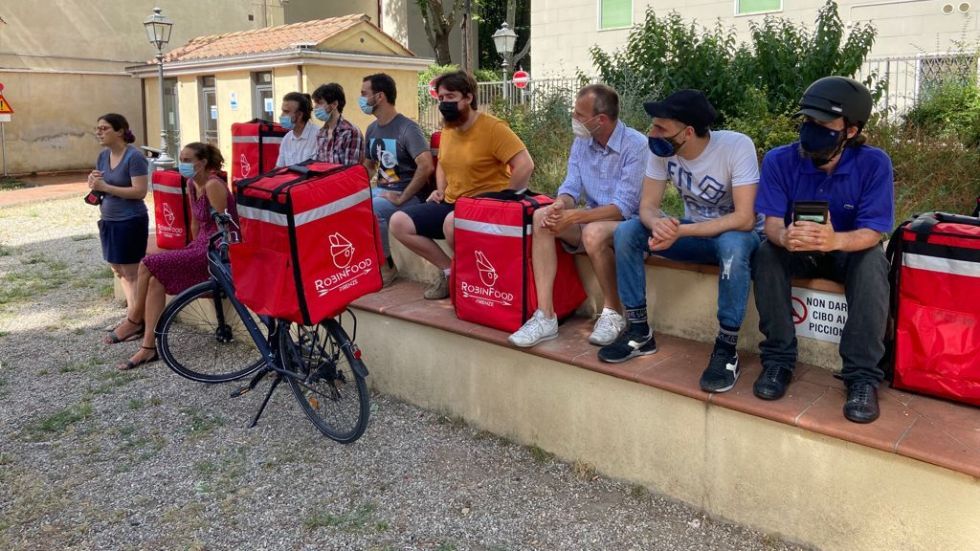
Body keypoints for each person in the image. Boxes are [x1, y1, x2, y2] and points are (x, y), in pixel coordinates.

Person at [598, 90, 762, 396]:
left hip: (735, 239)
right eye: (653, 126)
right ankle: (638, 331)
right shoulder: (662, 151)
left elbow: (745, 219)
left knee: (733, 245)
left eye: (661, 128)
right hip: (693, 235)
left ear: (687, 132)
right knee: (627, 232)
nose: (652, 133)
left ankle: (726, 349)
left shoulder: (736, 146)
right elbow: (647, 206)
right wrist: (658, 224)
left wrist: (680, 232)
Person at [752, 76, 893, 423]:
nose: (811, 129)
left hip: (846, 250)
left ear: (850, 130)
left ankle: (861, 377)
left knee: (872, 263)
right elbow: (771, 224)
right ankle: (778, 362)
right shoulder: (779, 160)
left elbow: (874, 231)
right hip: (797, 248)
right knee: (766, 254)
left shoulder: (874, 163)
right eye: (808, 121)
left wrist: (836, 241)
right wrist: (784, 237)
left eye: (823, 124)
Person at [508, 84, 647, 348]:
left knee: (594, 232)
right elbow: (571, 187)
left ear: (601, 120)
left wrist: (574, 217)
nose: (574, 118)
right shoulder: (583, 142)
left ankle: (613, 313)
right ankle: (545, 316)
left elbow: (622, 208)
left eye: (579, 114)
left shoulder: (637, 146)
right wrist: (559, 205)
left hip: (632, 226)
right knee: (541, 218)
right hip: (592, 220)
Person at [389, 70, 534, 300]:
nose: (445, 103)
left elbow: (525, 165)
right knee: (399, 222)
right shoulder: (449, 128)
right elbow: (443, 164)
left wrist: (506, 202)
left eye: (451, 97)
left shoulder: (493, 128)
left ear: (467, 98)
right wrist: (440, 189)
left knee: (451, 222)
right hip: (453, 202)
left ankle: (478, 280)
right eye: (442, 98)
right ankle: (451, 273)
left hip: (486, 205)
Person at [111, 142, 237, 371]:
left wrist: (201, 251)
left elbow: (225, 225)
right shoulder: (191, 184)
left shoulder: (213, 185)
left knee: (148, 262)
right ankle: (149, 347)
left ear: (204, 162)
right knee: (157, 280)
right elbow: (195, 223)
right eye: (182, 159)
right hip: (200, 244)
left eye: (188, 160)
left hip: (218, 246)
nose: (183, 164)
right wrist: (190, 248)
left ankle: (134, 319)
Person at [360, 72, 434, 286]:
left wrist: (402, 198)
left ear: (380, 96)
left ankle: (387, 267)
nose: (362, 99)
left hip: (407, 194)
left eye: (364, 94)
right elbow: (370, 166)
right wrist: (352, 192)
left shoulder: (407, 128)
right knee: (348, 207)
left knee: (373, 209)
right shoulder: (372, 129)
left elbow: (426, 165)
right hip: (382, 190)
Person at [91, 114, 150, 345]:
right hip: (109, 219)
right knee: (118, 270)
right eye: (97, 128)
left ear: (120, 131)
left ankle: (138, 321)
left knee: (133, 272)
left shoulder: (134, 157)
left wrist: (105, 186)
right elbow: (103, 186)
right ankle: (132, 316)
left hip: (130, 220)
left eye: (104, 128)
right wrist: (95, 183)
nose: (99, 132)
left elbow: (139, 192)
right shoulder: (103, 156)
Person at [311, 83, 363, 165]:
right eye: (315, 103)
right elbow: (319, 166)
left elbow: (351, 171)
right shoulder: (321, 133)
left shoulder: (350, 132)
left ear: (334, 104)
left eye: (320, 103)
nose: (315, 107)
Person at [275, 91, 318, 167]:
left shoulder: (318, 136)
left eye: (286, 111)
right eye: (282, 111)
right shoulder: (287, 139)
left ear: (300, 115)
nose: (281, 115)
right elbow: (279, 169)